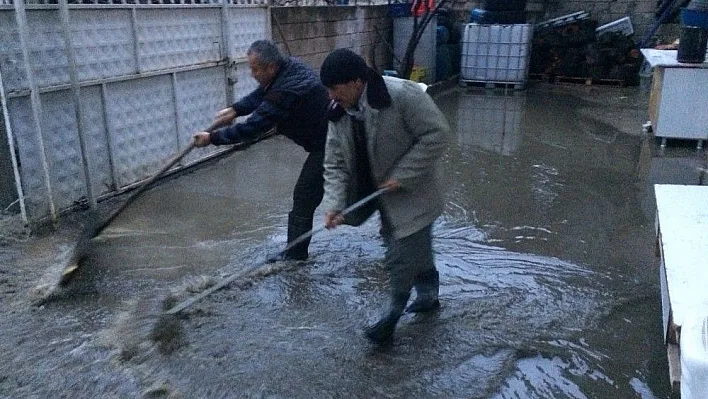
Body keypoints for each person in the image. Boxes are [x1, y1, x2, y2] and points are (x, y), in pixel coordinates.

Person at [318, 48, 449, 344]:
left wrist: (403, 174)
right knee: (416, 246)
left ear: (355, 83)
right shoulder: (337, 112)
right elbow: (335, 163)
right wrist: (334, 204)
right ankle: (429, 297)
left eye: (335, 89)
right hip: (373, 190)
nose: (331, 96)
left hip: (413, 189)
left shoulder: (402, 95)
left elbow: (437, 134)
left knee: (400, 252)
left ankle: (391, 316)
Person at [193, 40, 330, 262]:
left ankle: (294, 258)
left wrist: (212, 138)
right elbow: (261, 94)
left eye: (255, 69)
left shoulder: (285, 90)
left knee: (304, 196)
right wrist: (236, 109)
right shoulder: (290, 67)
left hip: (330, 144)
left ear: (271, 67)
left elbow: (253, 127)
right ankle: (295, 253)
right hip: (323, 139)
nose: (252, 73)